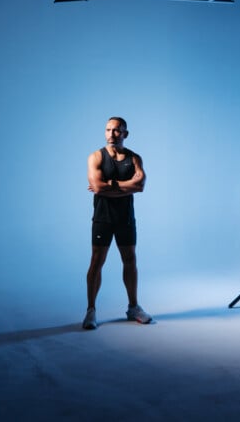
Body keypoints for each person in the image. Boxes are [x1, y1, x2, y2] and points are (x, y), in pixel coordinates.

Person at [83, 117, 152, 330]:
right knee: (97, 261)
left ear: (125, 134)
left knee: (130, 260)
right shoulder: (96, 156)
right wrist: (124, 187)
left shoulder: (134, 158)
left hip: (125, 218)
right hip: (103, 217)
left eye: (117, 131)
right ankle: (91, 310)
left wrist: (109, 185)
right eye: (108, 130)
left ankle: (133, 307)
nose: (112, 134)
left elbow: (140, 185)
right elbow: (97, 186)